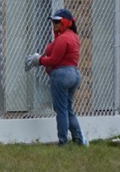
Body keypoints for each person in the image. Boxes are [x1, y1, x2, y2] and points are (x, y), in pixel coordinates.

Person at [25, 9, 87, 147]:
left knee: (61, 110)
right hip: (74, 74)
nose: (54, 24)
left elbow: (54, 59)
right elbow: (51, 50)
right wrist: (44, 55)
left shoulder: (63, 38)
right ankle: (78, 139)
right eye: (53, 21)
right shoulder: (73, 36)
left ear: (66, 22)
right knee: (68, 109)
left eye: (57, 22)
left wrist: (39, 60)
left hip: (62, 75)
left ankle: (63, 141)